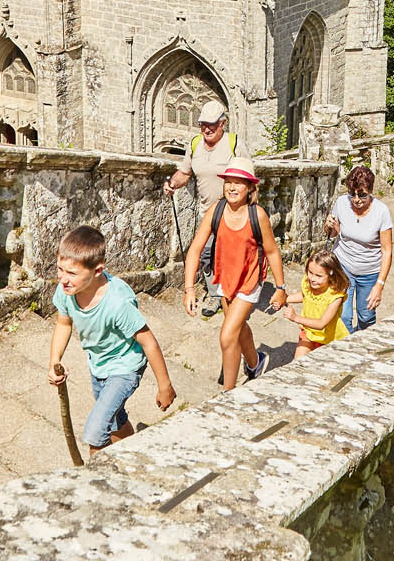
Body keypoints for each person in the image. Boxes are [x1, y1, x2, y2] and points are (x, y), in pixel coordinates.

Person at [47, 225, 176, 453]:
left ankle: (97, 482)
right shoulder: (66, 291)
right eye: (60, 269)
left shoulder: (117, 302)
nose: (63, 279)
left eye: (72, 273)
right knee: (115, 422)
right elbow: (63, 323)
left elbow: (148, 342)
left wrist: (164, 386)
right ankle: (132, 451)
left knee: (95, 432)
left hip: (125, 368)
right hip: (98, 365)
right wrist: (54, 360)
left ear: (97, 270)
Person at [183, 158, 287, 389]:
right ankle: (255, 362)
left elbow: (271, 251)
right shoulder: (216, 210)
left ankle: (228, 394)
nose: (231, 187)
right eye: (228, 182)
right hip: (223, 279)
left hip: (249, 281)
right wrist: (190, 289)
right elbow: (195, 249)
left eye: (238, 183)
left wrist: (280, 289)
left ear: (250, 187)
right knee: (237, 327)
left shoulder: (257, 215)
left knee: (227, 335)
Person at [163, 98, 234, 317]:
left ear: (222, 123)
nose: (206, 128)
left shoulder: (234, 144)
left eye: (211, 124)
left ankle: (230, 293)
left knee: (229, 255)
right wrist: (173, 183)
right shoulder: (195, 144)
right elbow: (185, 172)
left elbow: (248, 178)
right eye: (203, 123)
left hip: (232, 213)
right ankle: (215, 294)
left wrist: (250, 211)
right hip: (207, 214)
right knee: (206, 255)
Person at [328, 165, 393, 333]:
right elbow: (332, 234)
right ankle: (346, 352)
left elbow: (387, 251)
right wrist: (329, 226)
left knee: (366, 316)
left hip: (369, 271)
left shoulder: (381, 212)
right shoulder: (342, 203)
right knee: (343, 315)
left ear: (370, 191)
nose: (356, 199)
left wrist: (379, 285)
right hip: (343, 266)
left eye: (362, 194)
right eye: (352, 194)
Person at [282, 249, 350, 355]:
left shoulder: (335, 297)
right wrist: (285, 299)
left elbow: (321, 324)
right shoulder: (308, 283)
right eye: (310, 272)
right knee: (298, 363)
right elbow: (306, 296)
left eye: (319, 276)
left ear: (331, 274)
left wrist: (296, 318)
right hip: (308, 333)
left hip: (329, 339)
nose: (312, 278)